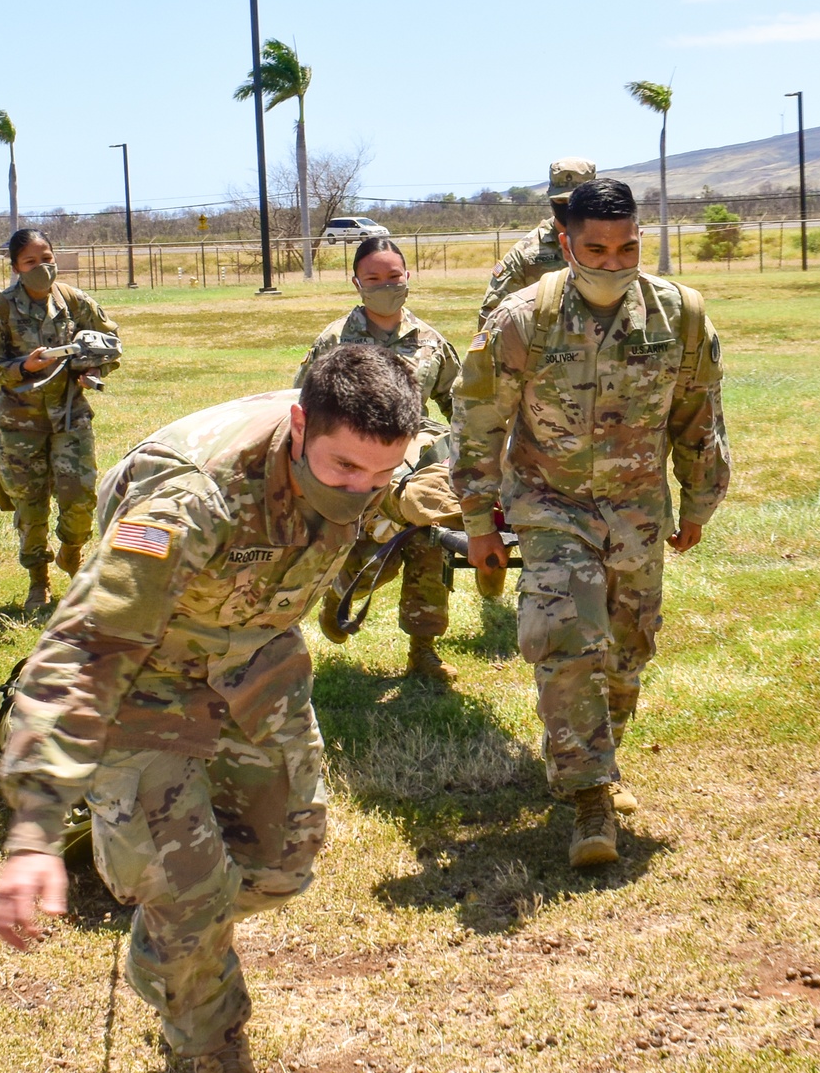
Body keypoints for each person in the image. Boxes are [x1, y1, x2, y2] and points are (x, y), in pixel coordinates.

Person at [0, 345, 421, 1073]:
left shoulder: (387, 452)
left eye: (377, 477)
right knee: (190, 889)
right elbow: (88, 649)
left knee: (284, 861)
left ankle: (166, 940)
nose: (358, 493)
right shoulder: (190, 497)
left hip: (254, 658)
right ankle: (211, 1035)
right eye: (343, 469)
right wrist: (34, 829)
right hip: (148, 670)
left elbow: (450, 471)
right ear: (298, 426)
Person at [451, 178, 729, 869]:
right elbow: (479, 420)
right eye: (596, 248)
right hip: (552, 503)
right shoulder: (524, 318)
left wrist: (698, 500)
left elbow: (699, 415)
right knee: (567, 634)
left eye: (628, 246)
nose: (613, 261)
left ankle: (597, 750)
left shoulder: (680, 316)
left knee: (627, 649)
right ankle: (589, 798)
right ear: (567, 245)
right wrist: (478, 519)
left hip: (637, 509)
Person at [295, 238, 463, 680]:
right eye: (374, 279)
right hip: (353, 466)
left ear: (408, 278)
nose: (386, 286)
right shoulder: (333, 340)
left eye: (394, 277)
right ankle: (341, 594)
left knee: (428, 537)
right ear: (356, 283)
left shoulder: (430, 341)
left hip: (417, 456)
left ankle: (422, 648)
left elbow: (459, 404)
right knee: (373, 548)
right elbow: (302, 406)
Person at [0, 229, 120, 615]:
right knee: (31, 504)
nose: (42, 267)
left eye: (47, 258)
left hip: (69, 415)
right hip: (20, 423)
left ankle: (72, 552)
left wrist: (91, 367)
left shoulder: (73, 300)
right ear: (15, 267)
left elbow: (110, 342)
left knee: (80, 496)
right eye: (31, 262)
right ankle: (38, 579)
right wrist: (24, 366)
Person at [477, 157, 596, 329]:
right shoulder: (525, 253)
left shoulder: (613, 243)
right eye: (561, 201)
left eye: (574, 200)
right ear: (550, 197)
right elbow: (492, 316)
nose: (568, 206)